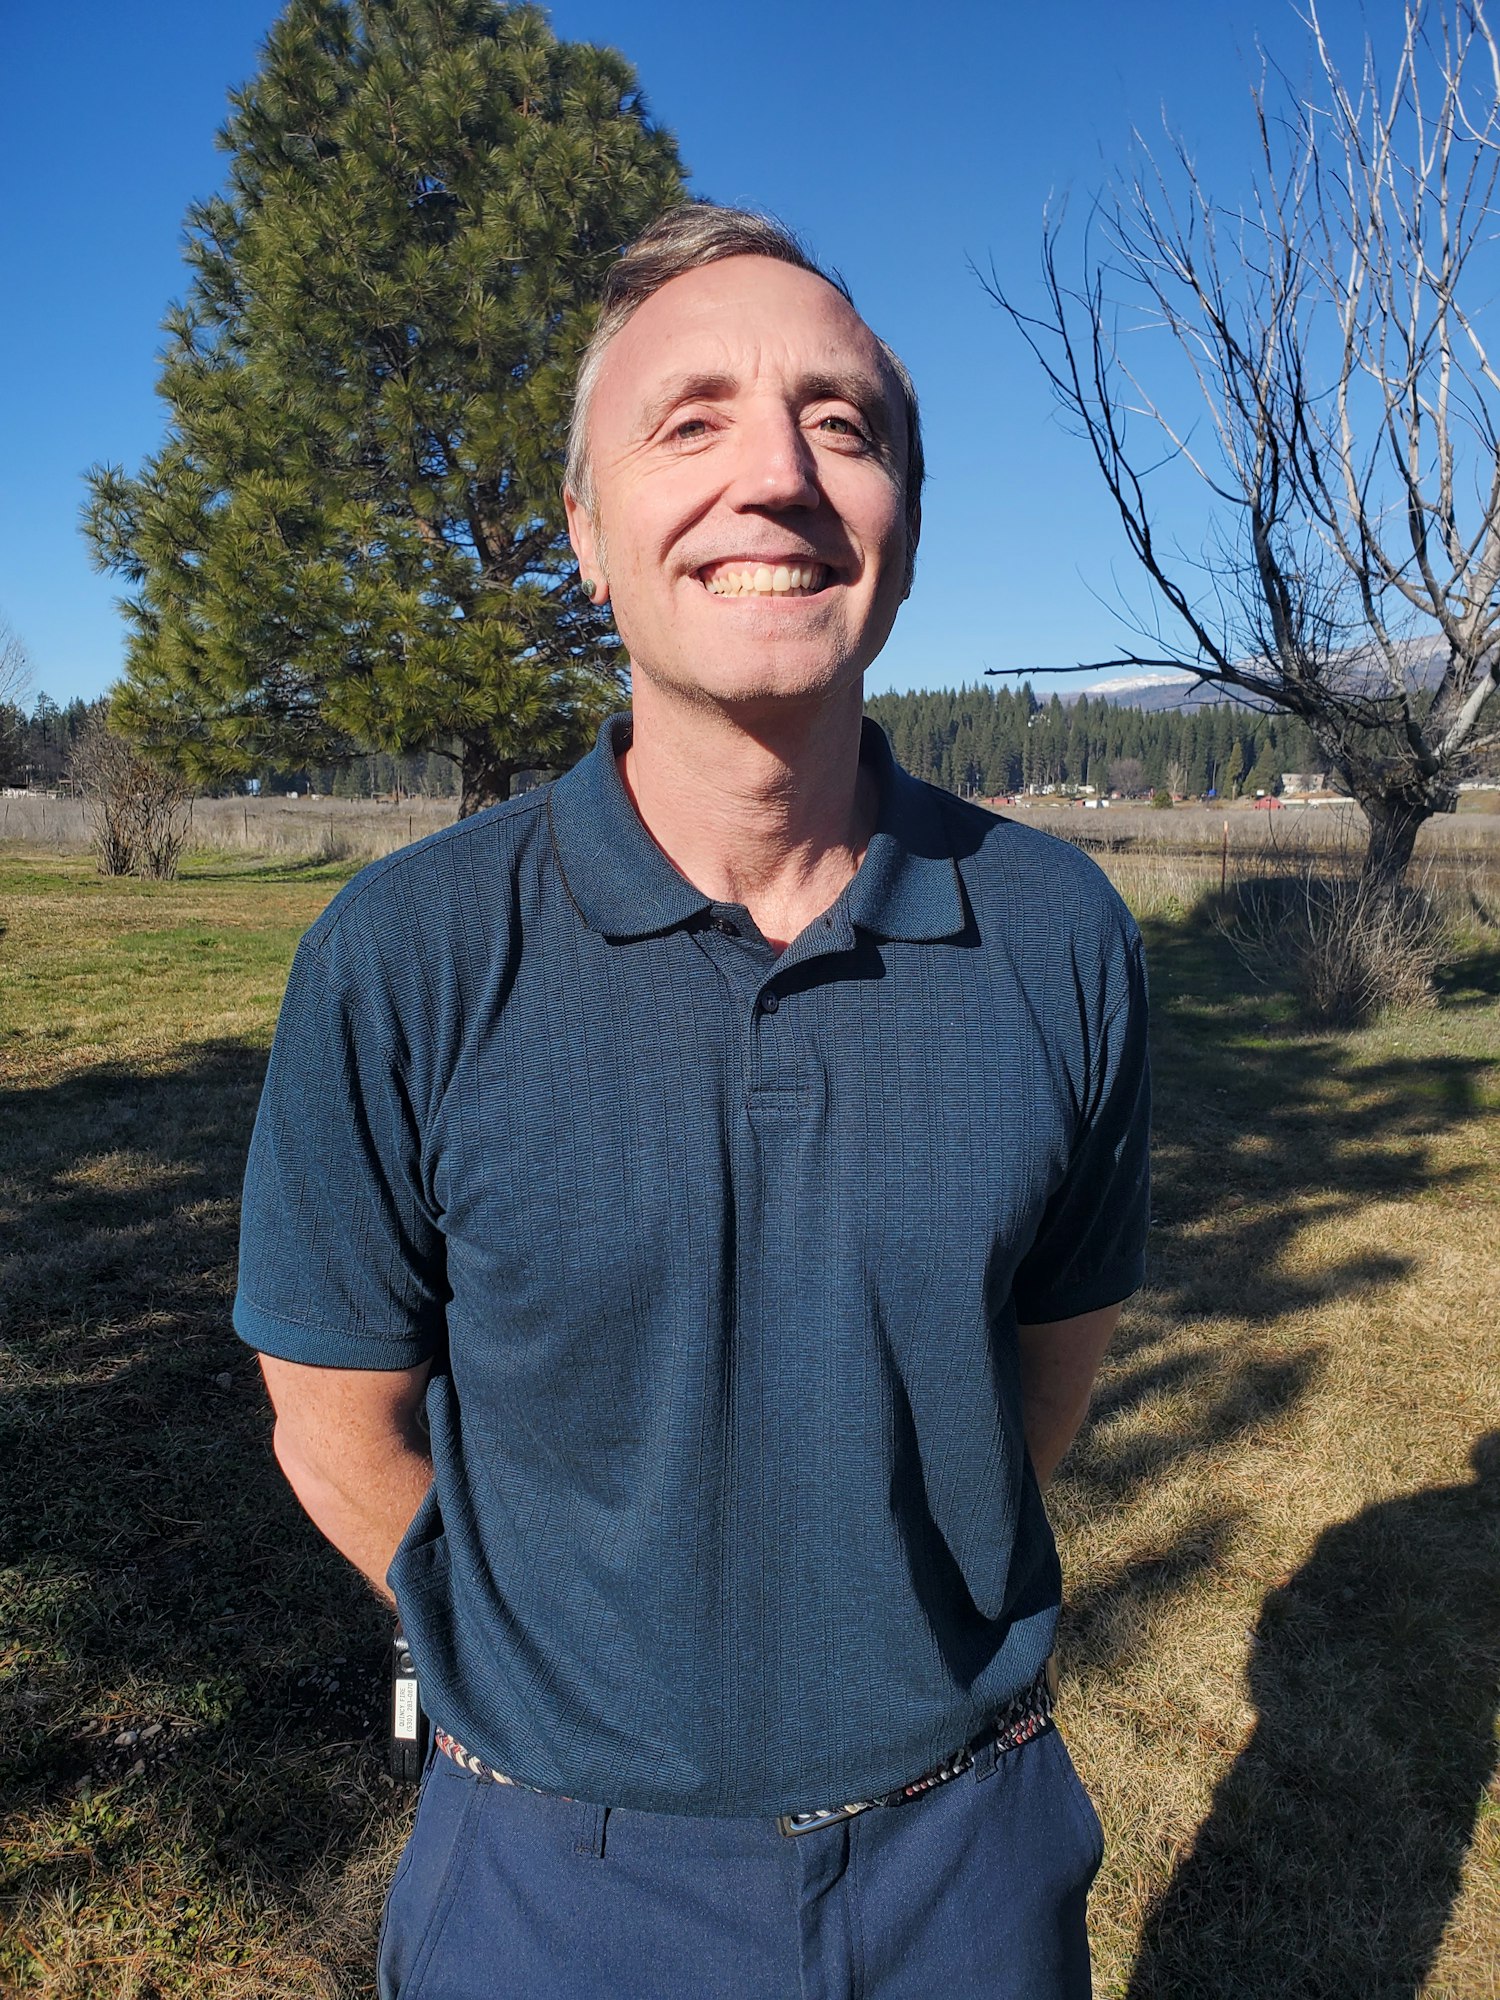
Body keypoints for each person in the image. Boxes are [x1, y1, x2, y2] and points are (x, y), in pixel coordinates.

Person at [235, 204, 1150, 2000]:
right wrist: (548, 1664)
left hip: (967, 1865)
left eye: (841, 423)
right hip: (544, 1883)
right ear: (585, 532)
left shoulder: (1062, 934)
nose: (779, 479)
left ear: (903, 529)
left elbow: (1046, 1374)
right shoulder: (405, 952)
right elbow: (332, 1420)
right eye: (690, 421)